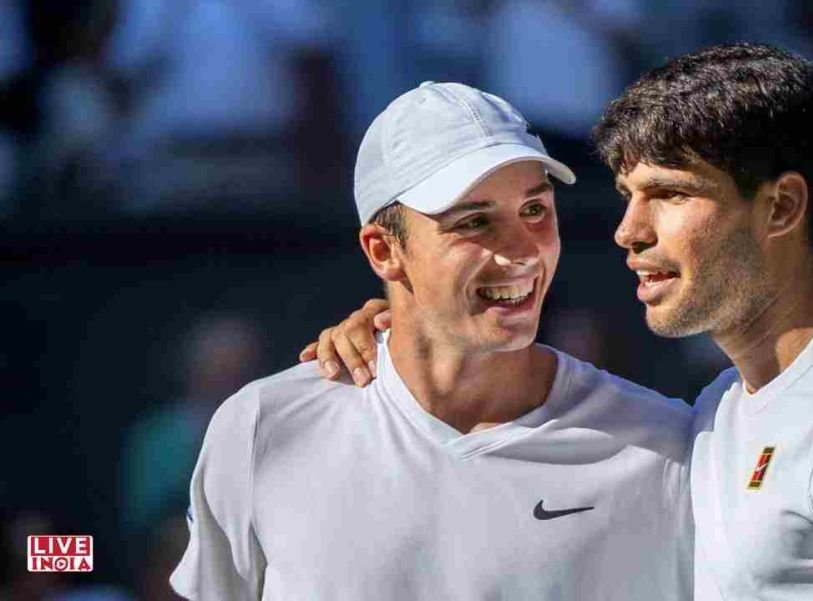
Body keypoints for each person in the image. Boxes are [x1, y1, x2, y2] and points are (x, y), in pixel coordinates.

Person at [304, 44, 813, 599]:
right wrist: (405, 326)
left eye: (668, 194)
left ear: (781, 208)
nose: (628, 231)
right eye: (626, 195)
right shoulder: (716, 412)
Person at [171, 82, 693, 599]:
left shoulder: (667, 448)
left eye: (535, 210)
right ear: (383, 251)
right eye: (474, 221)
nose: (522, 251)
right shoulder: (262, 427)